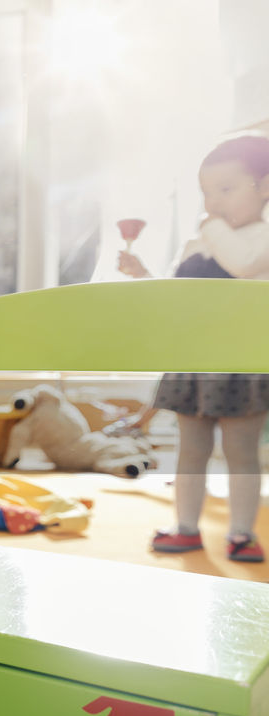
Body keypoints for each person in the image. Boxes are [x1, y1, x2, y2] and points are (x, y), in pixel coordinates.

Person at [118, 132, 269, 562]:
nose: (212, 203)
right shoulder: (196, 243)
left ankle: (241, 532)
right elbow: (175, 298)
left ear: (265, 188)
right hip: (193, 360)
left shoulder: (260, 238)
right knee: (192, 449)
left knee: (241, 451)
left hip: (243, 362)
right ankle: (185, 526)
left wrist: (213, 225)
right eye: (206, 193)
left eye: (226, 190)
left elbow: (242, 266)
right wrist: (143, 274)